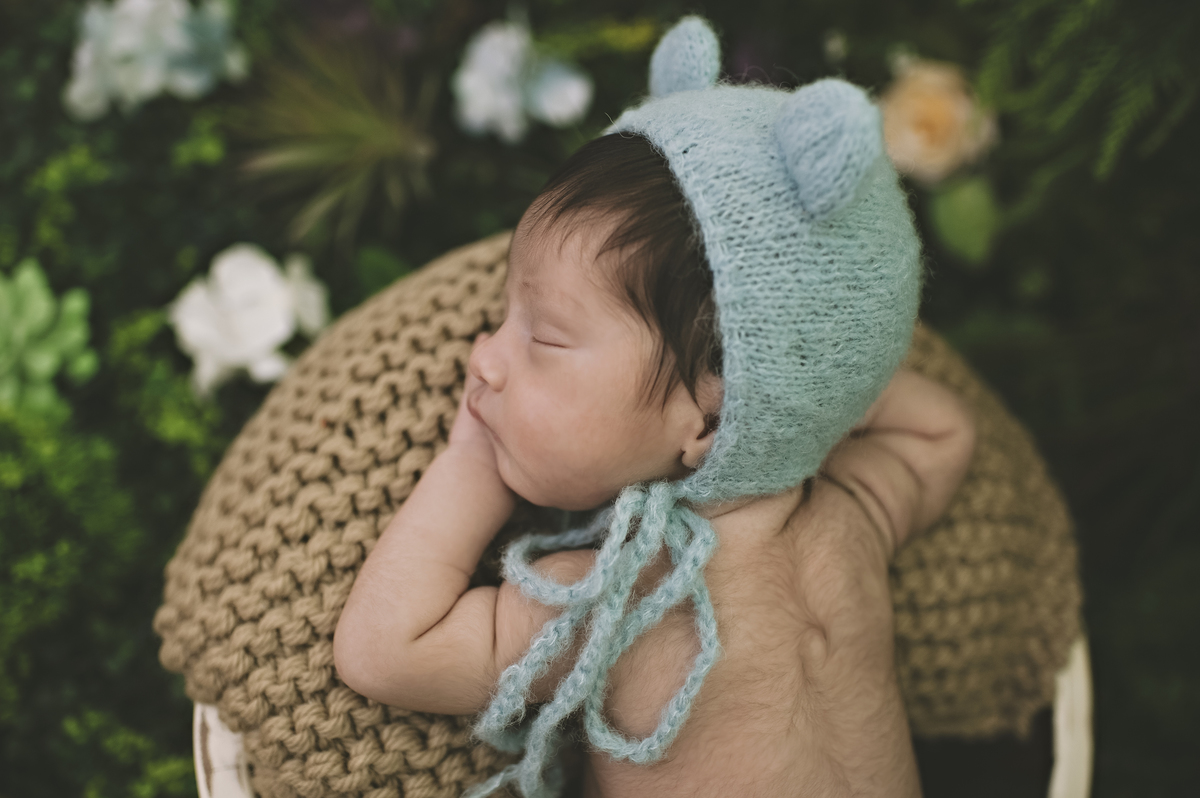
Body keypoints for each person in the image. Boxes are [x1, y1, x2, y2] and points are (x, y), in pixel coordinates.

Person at [334, 16, 975, 798]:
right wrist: (813, 382)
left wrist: (469, 460)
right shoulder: (829, 530)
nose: (482, 355)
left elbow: (386, 651)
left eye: (545, 340)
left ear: (708, 419)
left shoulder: (649, 591)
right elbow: (941, 431)